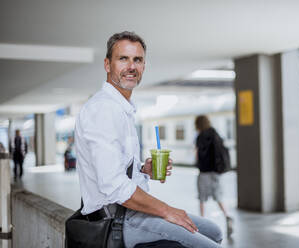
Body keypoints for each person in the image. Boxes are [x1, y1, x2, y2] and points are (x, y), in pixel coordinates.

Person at [75, 31, 222, 248]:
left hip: (131, 212)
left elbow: (115, 169)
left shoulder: (122, 109)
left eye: (138, 59)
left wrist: (144, 170)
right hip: (117, 220)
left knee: (213, 231)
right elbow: (114, 187)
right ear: (107, 64)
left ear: (143, 66)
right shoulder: (103, 110)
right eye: (123, 59)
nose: (131, 66)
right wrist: (167, 210)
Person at [194, 115, 233, 237]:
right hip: (216, 172)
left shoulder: (200, 137)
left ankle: (202, 223)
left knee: (202, 198)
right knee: (218, 197)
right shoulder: (215, 133)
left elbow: (198, 155)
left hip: (205, 172)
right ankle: (227, 216)